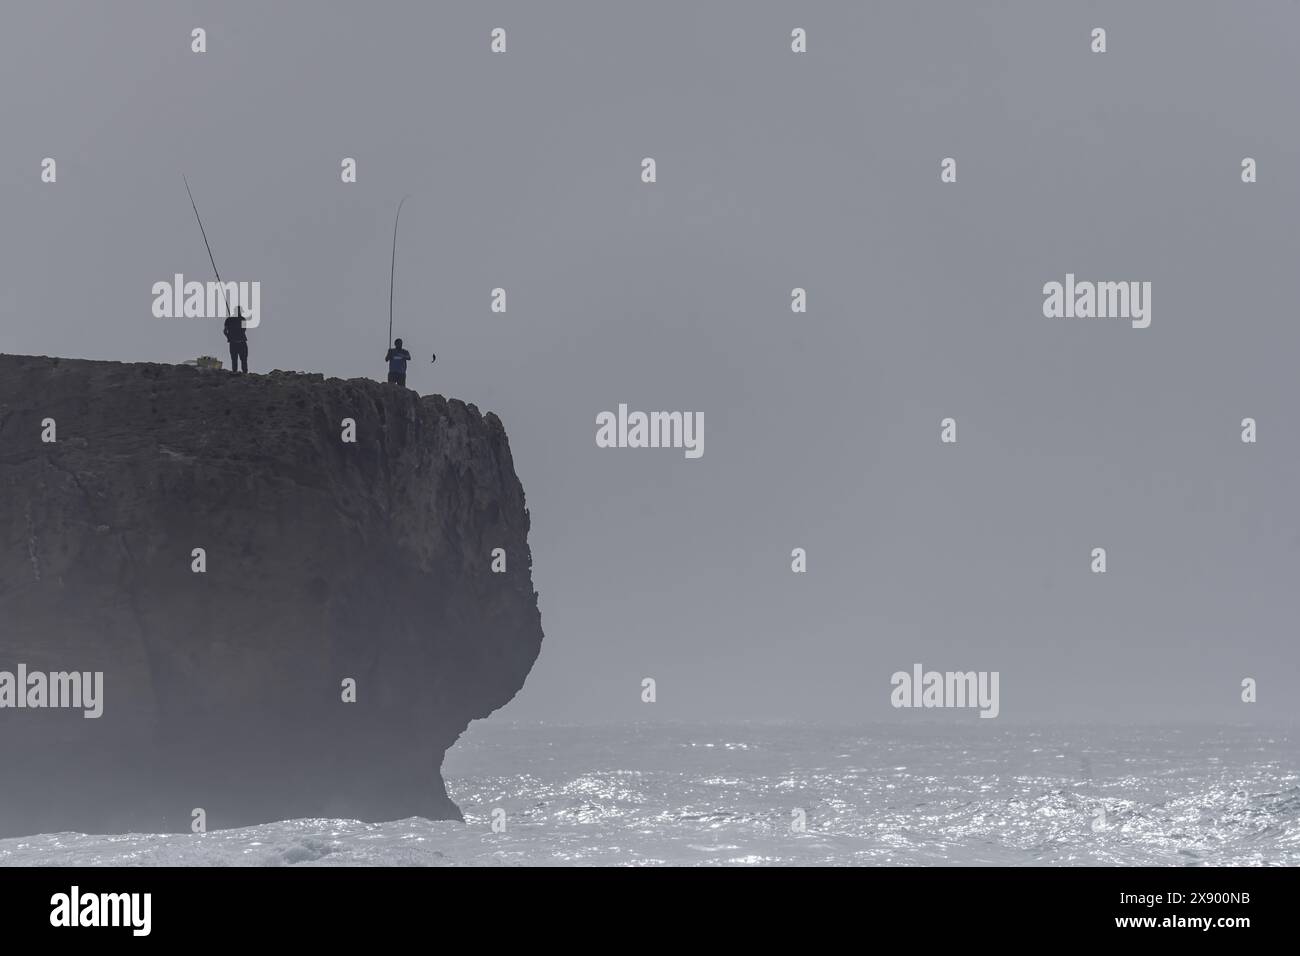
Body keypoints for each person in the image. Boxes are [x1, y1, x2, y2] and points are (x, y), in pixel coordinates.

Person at [223, 307, 249, 373]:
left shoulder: (229, 320)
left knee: (236, 360)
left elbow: (225, 331)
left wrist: (229, 336)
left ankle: (237, 373)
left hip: (234, 343)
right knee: (242, 360)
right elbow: (243, 330)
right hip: (241, 343)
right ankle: (243, 374)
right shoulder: (242, 319)